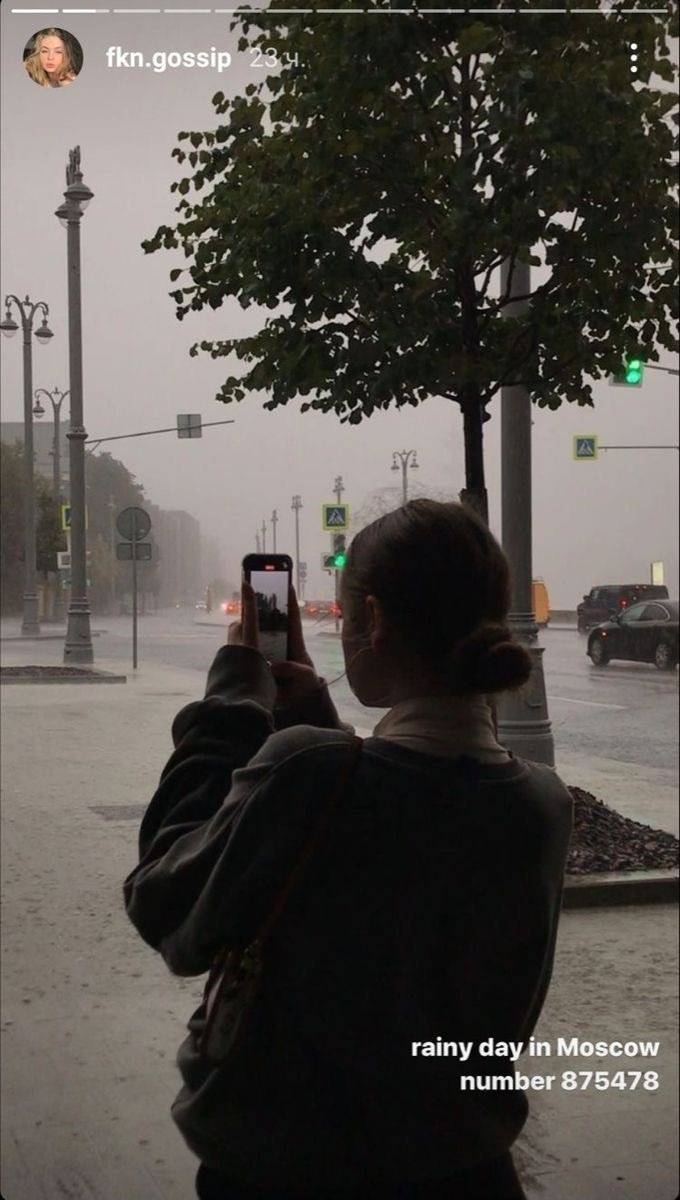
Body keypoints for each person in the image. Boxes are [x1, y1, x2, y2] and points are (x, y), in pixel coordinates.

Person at [124, 499, 573, 1200]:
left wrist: (234, 701)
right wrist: (311, 719)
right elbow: (399, 818)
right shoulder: (542, 804)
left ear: (375, 621)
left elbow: (163, 904)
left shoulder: (305, 771)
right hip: (466, 1171)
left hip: (288, 1172)